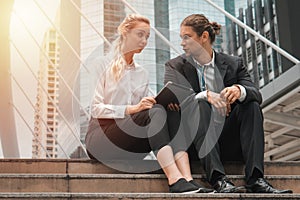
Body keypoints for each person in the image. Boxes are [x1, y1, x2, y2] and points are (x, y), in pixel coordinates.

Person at [85, 14, 214, 194]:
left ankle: (188, 179)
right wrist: (133, 109)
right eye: (140, 35)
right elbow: (95, 109)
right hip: (101, 139)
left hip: (129, 139)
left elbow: (147, 110)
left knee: (168, 111)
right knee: (154, 113)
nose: (144, 41)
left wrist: (167, 103)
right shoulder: (101, 64)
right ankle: (174, 180)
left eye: (147, 37)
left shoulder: (142, 73)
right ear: (125, 32)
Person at [164, 13, 293, 194]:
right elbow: (173, 99)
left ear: (204, 37)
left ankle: (256, 179)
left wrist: (239, 90)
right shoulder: (175, 66)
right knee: (200, 104)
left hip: (229, 140)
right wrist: (205, 95)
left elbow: (255, 93)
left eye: (187, 37)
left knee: (251, 105)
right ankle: (218, 180)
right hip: (196, 144)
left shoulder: (233, 63)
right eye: (181, 38)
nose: (182, 42)